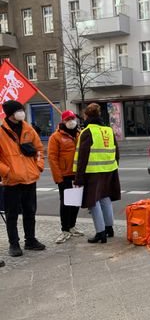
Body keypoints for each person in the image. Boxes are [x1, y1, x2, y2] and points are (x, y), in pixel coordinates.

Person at [0, 100, 46, 257]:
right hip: (12, 180)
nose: (22, 112)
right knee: (11, 214)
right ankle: (14, 244)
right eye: (19, 110)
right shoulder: (1, 131)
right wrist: (7, 171)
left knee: (30, 211)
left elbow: (39, 149)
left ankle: (30, 240)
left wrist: (38, 166)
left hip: (30, 178)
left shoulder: (28, 129)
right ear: (11, 113)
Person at [74, 103, 121, 244]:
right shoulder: (108, 130)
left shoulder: (87, 132)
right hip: (109, 171)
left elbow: (82, 158)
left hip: (92, 173)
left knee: (93, 203)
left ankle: (100, 233)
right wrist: (113, 167)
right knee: (105, 199)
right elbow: (116, 152)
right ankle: (109, 228)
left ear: (86, 116)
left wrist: (78, 179)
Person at [48, 110, 83, 244]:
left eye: (73, 118)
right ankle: (65, 230)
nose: (71, 121)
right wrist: (58, 178)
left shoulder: (80, 134)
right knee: (65, 203)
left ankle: (72, 226)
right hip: (65, 175)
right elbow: (52, 158)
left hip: (77, 174)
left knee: (75, 202)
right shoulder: (56, 137)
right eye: (68, 119)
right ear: (63, 121)